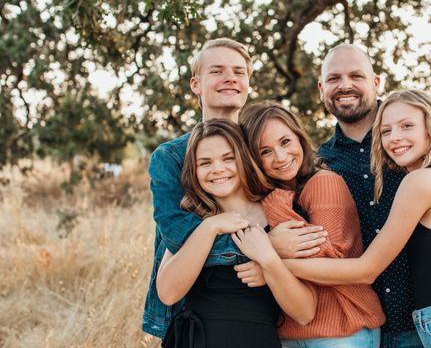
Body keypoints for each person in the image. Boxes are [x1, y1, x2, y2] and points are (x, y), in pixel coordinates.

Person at [284, 90, 431, 347]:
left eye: (407, 126)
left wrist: (276, 265)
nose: (395, 138)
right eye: (386, 131)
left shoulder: (420, 181)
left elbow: (366, 270)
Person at [142, 38, 328, 339]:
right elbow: (178, 239)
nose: (230, 78)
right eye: (217, 70)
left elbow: (304, 303)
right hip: (197, 320)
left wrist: (269, 257)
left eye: (239, 72)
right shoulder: (172, 159)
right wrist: (263, 247)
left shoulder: (263, 154)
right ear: (196, 84)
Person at [237, 101, 385, 347]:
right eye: (265, 151)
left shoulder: (323, 182)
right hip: (289, 331)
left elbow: (323, 255)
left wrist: (267, 264)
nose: (280, 157)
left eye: (285, 142)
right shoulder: (274, 195)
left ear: (299, 138)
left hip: (342, 329)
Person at [157, 119, 317, 347]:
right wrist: (210, 227)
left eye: (228, 158)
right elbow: (168, 293)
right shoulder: (190, 219)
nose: (217, 169)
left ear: (244, 159)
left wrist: (269, 259)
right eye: (205, 163)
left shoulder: (278, 214)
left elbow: (304, 313)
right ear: (194, 171)